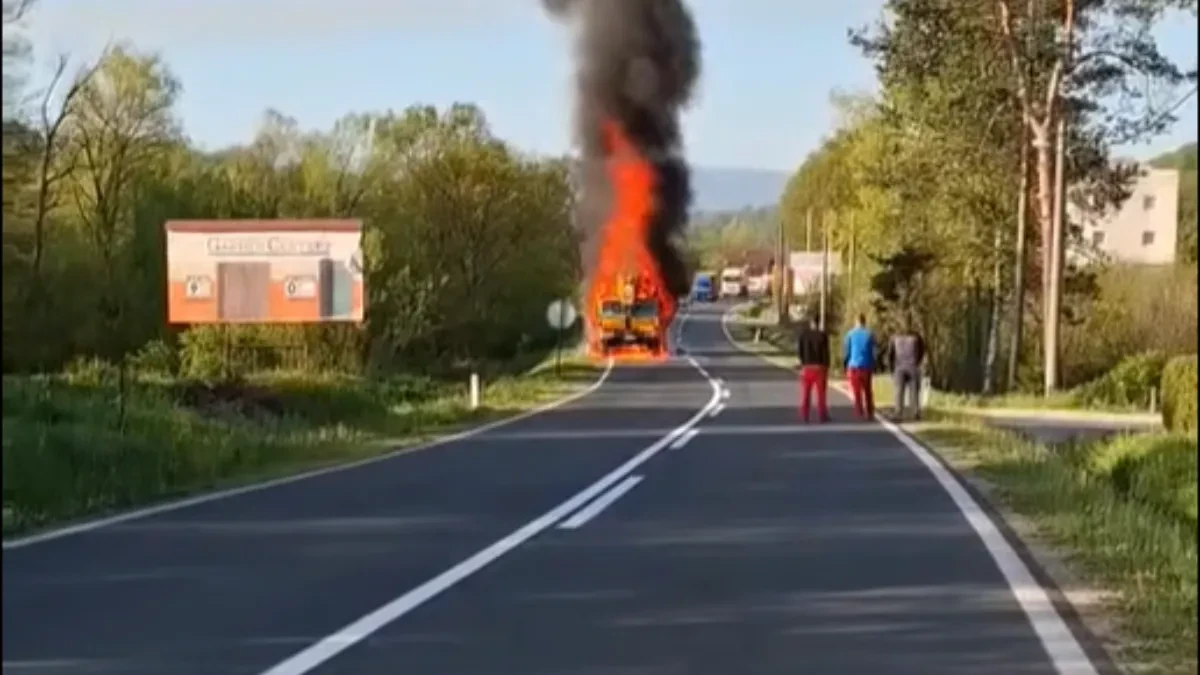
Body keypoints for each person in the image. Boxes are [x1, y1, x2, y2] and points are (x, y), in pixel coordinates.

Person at [887, 322, 927, 420]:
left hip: (899, 367)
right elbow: (922, 350)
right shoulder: (916, 337)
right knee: (914, 391)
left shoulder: (894, 338)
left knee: (899, 391)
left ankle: (898, 413)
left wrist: (891, 368)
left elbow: (890, 354)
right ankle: (915, 412)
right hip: (913, 366)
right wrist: (918, 361)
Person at [794, 317, 831, 423]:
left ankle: (805, 414)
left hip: (807, 367)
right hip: (819, 367)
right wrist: (827, 365)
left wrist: (802, 362)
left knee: (806, 392)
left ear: (810, 323)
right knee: (821, 393)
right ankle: (822, 415)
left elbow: (800, 351)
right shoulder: (823, 336)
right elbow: (826, 353)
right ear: (819, 323)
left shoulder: (803, 336)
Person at [842, 313, 876, 420]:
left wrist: (845, 364)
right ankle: (869, 411)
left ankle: (859, 411)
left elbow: (847, 351)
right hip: (866, 365)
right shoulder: (869, 334)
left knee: (856, 391)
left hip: (854, 365)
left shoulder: (850, 334)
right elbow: (873, 350)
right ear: (864, 322)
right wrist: (873, 363)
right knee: (868, 390)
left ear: (856, 322)